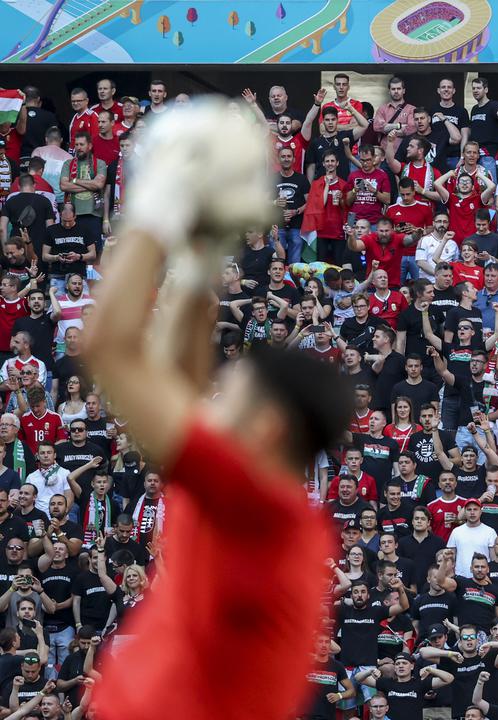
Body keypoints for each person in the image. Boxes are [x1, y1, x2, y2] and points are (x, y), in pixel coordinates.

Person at [84, 109, 355, 720]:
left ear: (267, 427)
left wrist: (156, 205)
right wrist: (201, 255)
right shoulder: (259, 500)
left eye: (228, 391)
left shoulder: (254, 506)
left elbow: (108, 347)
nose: (211, 394)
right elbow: (177, 376)